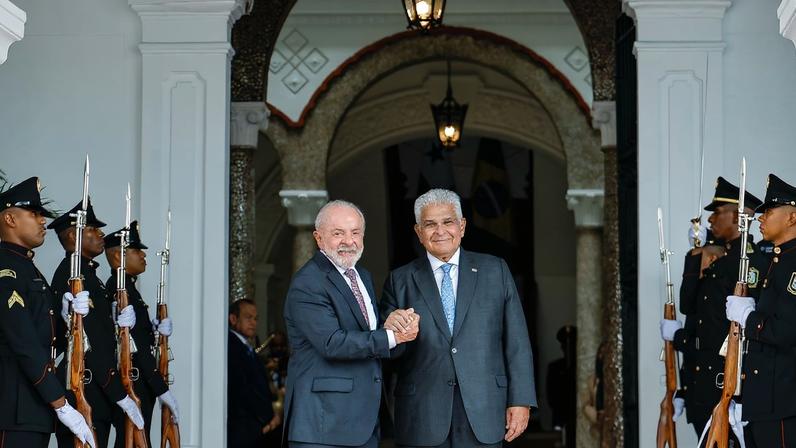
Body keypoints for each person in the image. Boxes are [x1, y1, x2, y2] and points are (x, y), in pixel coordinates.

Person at [381, 188, 536, 447]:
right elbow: (390, 354)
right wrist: (392, 333)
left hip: (484, 408)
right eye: (430, 224)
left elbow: (517, 341)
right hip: (422, 413)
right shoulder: (399, 280)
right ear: (419, 232)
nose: (440, 231)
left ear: (462, 226)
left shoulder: (495, 270)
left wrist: (520, 400)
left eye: (448, 222)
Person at [283, 200, 419, 448]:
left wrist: (399, 325)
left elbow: (369, 337)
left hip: (362, 423)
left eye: (355, 232)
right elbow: (332, 343)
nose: (349, 241)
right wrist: (390, 337)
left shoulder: (361, 276)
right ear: (318, 238)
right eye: (338, 233)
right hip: (323, 427)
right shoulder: (308, 282)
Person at [660, 176, 767, 436]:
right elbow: (690, 309)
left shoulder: (750, 264)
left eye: (717, 213)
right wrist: (694, 261)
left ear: (737, 216)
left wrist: (679, 337)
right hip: (705, 386)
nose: (709, 220)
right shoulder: (717, 261)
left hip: (730, 386)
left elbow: (723, 333)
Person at [0, 177, 95, 447]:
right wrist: (60, 403)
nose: (42, 221)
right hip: (13, 410)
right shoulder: (6, 270)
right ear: (10, 219)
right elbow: (23, 343)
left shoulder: (29, 269)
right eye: (34, 214)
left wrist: (68, 318)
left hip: (32, 407)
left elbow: (46, 335)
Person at [48, 199, 144, 448]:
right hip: (87, 388)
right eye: (92, 229)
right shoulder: (72, 274)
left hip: (98, 392)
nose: (101, 233)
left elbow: (102, 334)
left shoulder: (90, 275)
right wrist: (118, 393)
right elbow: (88, 342)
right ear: (73, 235)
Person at [727, 174, 796, 446]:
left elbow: (787, 331)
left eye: (769, 211)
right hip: (764, 403)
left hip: (784, 403)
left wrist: (748, 316)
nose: (761, 217)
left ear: (792, 217)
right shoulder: (776, 261)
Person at [104, 220, 179, 447]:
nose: (143, 255)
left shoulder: (130, 288)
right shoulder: (119, 289)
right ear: (118, 257)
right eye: (136, 250)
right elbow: (134, 346)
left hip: (141, 382)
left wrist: (155, 330)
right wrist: (160, 387)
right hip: (134, 382)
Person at [228, 298, 280, 448]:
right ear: (233, 318)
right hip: (244, 429)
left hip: (255, 429)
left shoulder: (245, 346)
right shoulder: (231, 346)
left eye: (255, 318)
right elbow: (243, 389)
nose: (253, 322)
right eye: (248, 317)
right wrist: (268, 419)